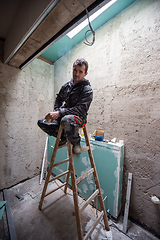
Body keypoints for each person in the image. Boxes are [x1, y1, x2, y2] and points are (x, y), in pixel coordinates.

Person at [37, 58, 93, 155]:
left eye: (80, 72)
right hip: (64, 116)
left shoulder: (87, 90)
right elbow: (58, 99)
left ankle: (76, 143)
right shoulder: (67, 86)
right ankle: (63, 137)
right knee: (41, 122)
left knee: (66, 120)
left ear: (85, 74)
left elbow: (81, 110)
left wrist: (60, 113)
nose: (76, 74)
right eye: (75, 70)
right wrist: (58, 110)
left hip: (79, 118)